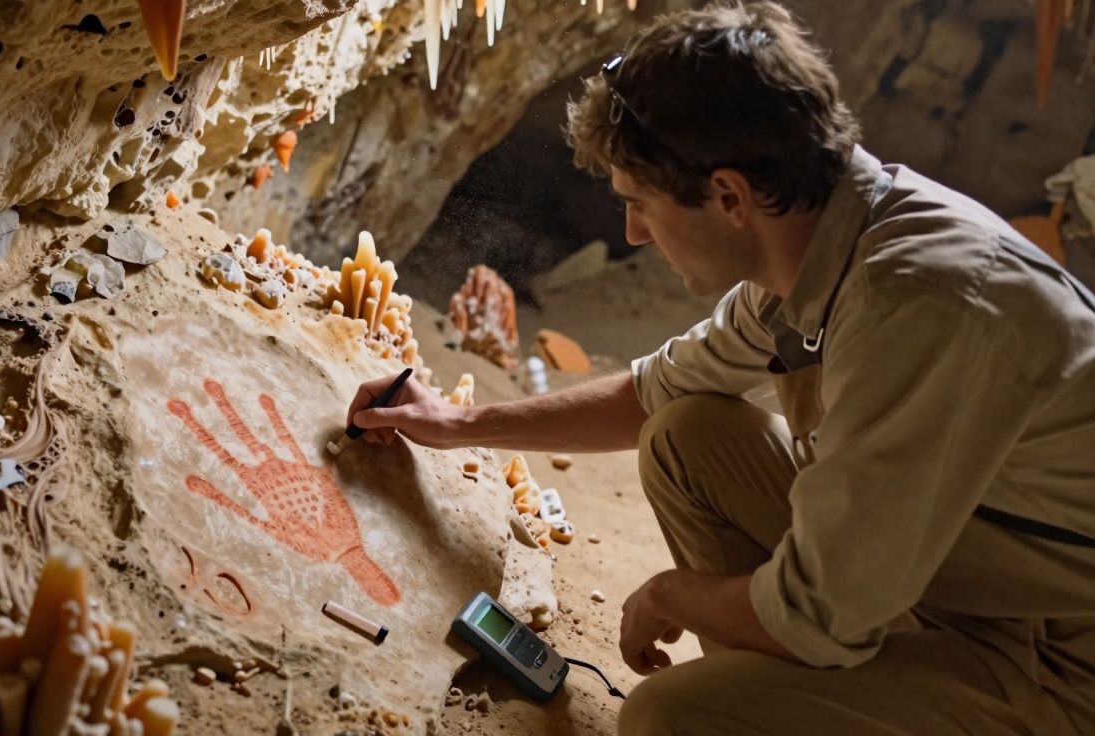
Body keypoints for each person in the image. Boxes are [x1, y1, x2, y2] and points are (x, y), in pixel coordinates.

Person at [345, 2, 1095, 734]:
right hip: (955, 580)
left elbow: (820, 614)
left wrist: (676, 596)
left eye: (640, 202)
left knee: (670, 716)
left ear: (729, 195)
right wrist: (454, 425)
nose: (634, 232)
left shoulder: (919, 302)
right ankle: (778, 704)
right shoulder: (824, 246)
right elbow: (650, 394)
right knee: (686, 437)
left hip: (1058, 657)